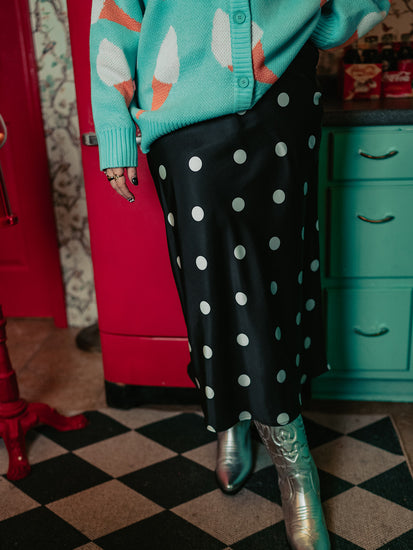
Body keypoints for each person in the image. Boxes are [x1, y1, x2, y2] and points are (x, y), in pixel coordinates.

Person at [89, 2, 390, 548]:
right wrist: (112, 121)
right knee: (215, 288)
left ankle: (268, 442)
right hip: (181, 110)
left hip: (284, 102)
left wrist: (316, 24)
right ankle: (265, 443)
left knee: (280, 283)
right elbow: (113, 13)